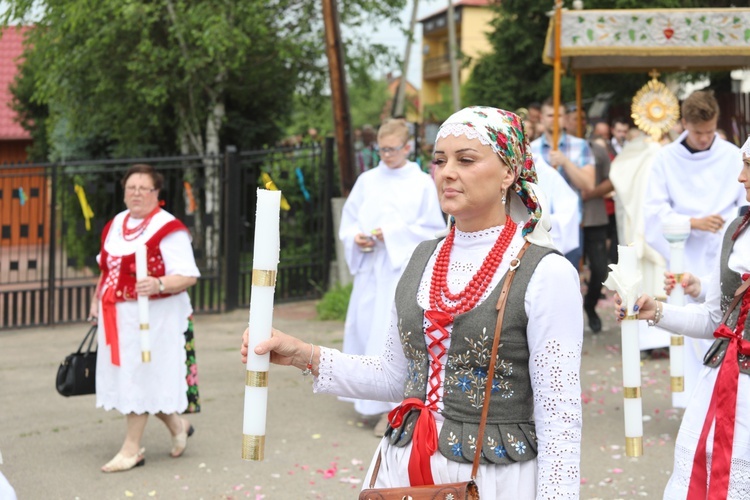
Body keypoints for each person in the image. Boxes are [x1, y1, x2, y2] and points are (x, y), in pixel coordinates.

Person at [242, 107, 583, 497]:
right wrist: (305, 355)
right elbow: (393, 375)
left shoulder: (546, 273)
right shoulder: (422, 257)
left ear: (508, 172)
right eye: (439, 160)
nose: (447, 172)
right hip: (404, 472)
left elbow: (560, 417)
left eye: (466, 160)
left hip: (493, 479)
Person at [615, 137, 750, 499]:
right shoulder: (737, 232)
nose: (740, 177)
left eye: (749, 166)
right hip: (726, 389)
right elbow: (713, 320)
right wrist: (656, 311)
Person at [88, 164, 201, 472]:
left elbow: (189, 275)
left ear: (156, 193)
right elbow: (106, 270)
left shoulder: (169, 228)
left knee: (140, 377)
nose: (136, 193)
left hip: (157, 319)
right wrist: (97, 298)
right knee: (135, 378)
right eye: (131, 188)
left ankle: (131, 449)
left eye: (143, 188)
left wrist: (158, 283)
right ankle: (178, 426)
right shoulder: (116, 224)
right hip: (118, 319)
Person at [338, 118, 445, 435]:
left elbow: (431, 229)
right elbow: (350, 220)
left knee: (392, 333)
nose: (386, 155)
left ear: (407, 147)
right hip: (372, 268)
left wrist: (394, 234)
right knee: (365, 326)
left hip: (400, 269)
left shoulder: (422, 182)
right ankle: (369, 400)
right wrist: (356, 237)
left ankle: (393, 406)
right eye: (382, 149)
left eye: (392, 149)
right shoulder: (367, 180)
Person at [643, 90, 747, 407]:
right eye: (698, 132)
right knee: (693, 327)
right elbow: (653, 212)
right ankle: (697, 403)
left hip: (728, 252)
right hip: (684, 252)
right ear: (683, 124)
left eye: (710, 131)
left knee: (727, 322)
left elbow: (744, 204)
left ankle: (728, 399)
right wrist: (692, 223)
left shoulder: (732, 155)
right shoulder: (664, 159)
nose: (704, 139)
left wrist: (726, 227)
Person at [531, 97, 595, 270]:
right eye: (550, 115)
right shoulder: (530, 150)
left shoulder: (580, 146)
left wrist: (565, 162)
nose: (555, 119)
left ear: (565, 119)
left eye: (559, 115)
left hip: (569, 226)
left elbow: (588, 184)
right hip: (537, 227)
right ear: (542, 119)